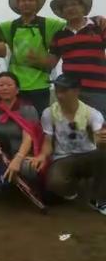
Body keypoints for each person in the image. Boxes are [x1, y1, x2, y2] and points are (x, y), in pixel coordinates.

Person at [30, 74, 106, 215]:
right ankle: (76, 190)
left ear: (76, 91)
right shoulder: (49, 113)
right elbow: (48, 141)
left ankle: (99, 199)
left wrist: (102, 141)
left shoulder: (92, 114)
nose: (59, 95)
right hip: (63, 157)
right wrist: (42, 155)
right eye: (57, 90)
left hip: (88, 155)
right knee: (55, 184)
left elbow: (99, 138)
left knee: (103, 155)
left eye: (64, 91)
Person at [37, 0, 106, 118]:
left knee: (100, 129)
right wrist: (36, 59)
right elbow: (51, 62)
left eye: (74, 4)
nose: (70, 8)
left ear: (83, 8)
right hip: (70, 89)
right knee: (75, 128)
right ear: (62, 13)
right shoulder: (59, 35)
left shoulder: (99, 26)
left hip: (98, 88)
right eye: (66, 6)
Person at [0, 0, 64, 116]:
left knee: (39, 124)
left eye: (31, 0)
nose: (27, 3)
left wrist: (96, 19)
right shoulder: (9, 26)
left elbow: (73, 23)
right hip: (15, 87)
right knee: (18, 124)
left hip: (40, 85)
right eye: (23, 0)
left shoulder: (48, 24)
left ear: (37, 3)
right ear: (18, 3)